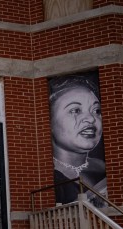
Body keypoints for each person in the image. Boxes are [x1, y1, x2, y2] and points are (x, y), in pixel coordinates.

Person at [49, 75, 106, 205]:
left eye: (96, 110)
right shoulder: (44, 175)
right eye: (75, 110)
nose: (91, 119)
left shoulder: (104, 168)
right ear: (49, 122)